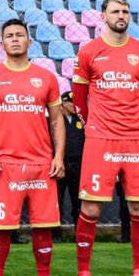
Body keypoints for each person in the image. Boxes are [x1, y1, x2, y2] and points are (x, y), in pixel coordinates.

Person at [71, 0, 139, 276]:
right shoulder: (89, 51)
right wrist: (97, 124)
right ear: (103, 16)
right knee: (91, 206)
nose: (121, 15)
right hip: (101, 138)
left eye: (125, 11)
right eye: (115, 10)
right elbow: (79, 99)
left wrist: (131, 123)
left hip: (135, 138)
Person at [0, 19, 67, 276]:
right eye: (9, 36)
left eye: (20, 35)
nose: (15, 39)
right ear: (1, 44)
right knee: (1, 228)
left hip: (42, 165)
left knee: (43, 226)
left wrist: (59, 156)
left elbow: (56, 120)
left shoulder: (46, 77)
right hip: (5, 165)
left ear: (29, 42)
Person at [57, 92, 85, 227]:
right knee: (57, 199)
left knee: (78, 200)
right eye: (72, 102)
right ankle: (56, 233)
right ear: (63, 103)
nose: (75, 106)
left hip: (78, 165)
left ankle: (79, 231)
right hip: (60, 165)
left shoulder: (81, 120)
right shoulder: (55, 119)